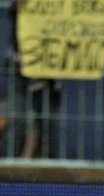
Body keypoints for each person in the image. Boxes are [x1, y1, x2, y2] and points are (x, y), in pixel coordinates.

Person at [5, 0, 63, 158]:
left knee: (43, 121)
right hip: (20, 63)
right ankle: (15, 163)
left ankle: (33, 162)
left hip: (50, 65)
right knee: (15, 116)